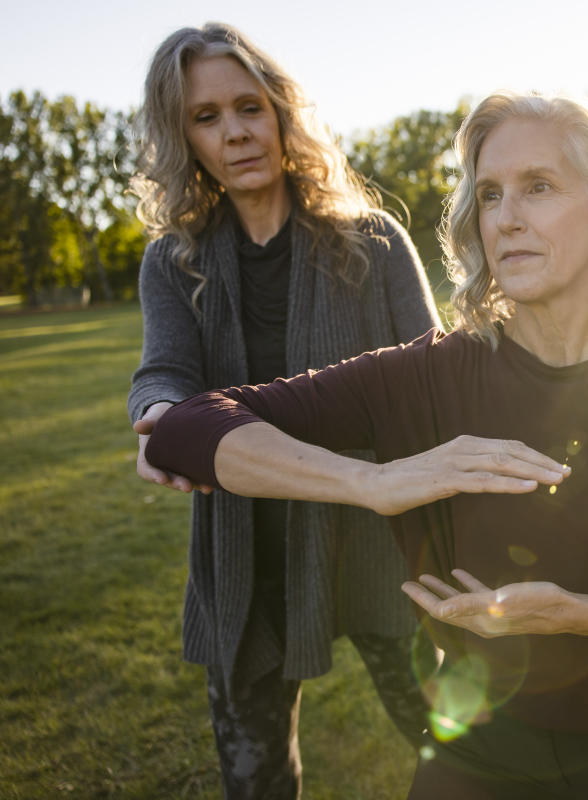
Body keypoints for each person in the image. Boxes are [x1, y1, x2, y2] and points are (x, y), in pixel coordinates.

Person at [143, 92, 588, 799]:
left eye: (539, 187)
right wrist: (371, 483)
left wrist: (582, 613)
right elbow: (185, 430)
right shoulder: (429, 372)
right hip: (478, 752)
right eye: (490, 195)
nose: (507, 217)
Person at [127, 22, 448, 798]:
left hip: (378, 542)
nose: (234, 132)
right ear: (185, 138)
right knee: (254, 777)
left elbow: (439, 381)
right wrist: (163, 420)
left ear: (280, 113)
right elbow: (162, 371)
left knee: (453, 739)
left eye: (248, 105)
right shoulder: (176, 259)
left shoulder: (371, 241)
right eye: (206, 117)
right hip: (247, 545)